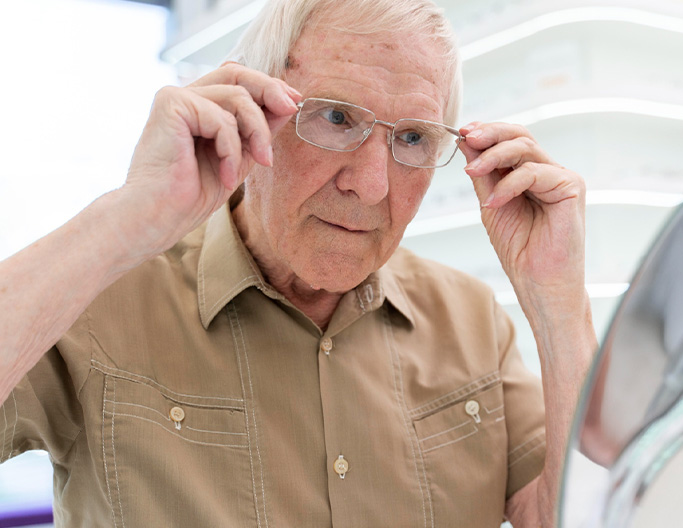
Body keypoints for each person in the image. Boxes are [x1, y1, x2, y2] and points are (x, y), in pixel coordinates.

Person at [0, 0, 596, 525]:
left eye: (412, 138)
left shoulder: (470, 319)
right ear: (246, 107)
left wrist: (559, 300)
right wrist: (127, 217)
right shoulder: (99, 302)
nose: (371, 186)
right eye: (336, 117)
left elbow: (579, 515)